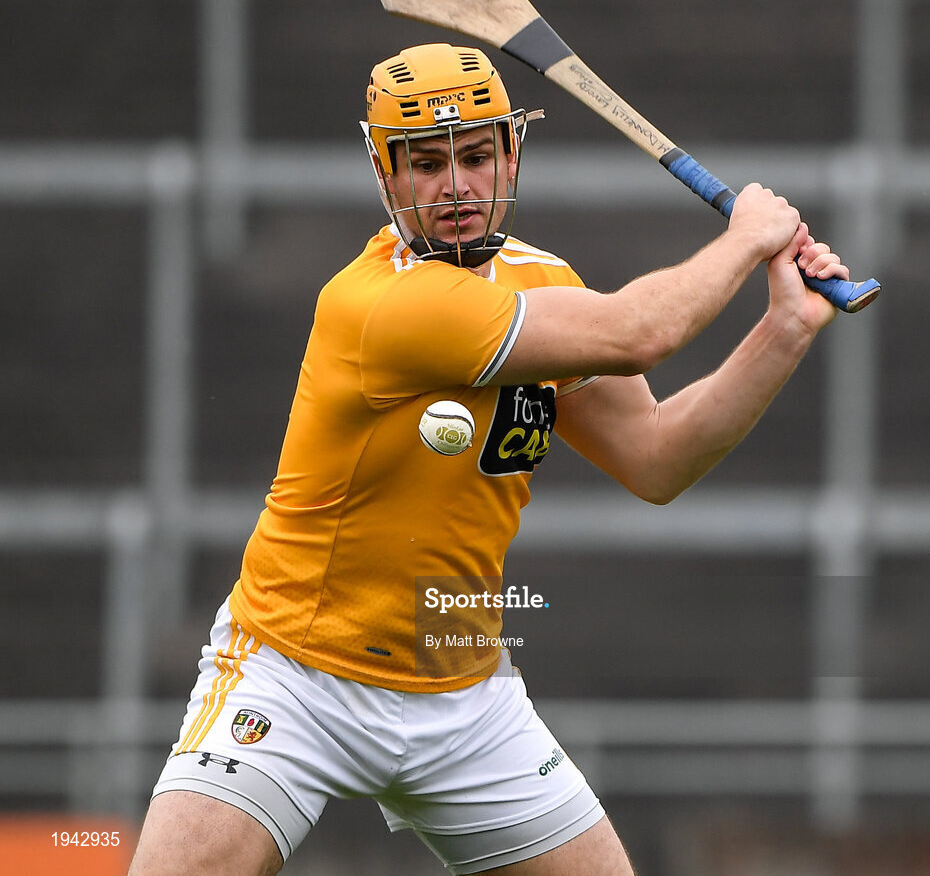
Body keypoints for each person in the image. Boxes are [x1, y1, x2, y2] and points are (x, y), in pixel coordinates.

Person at [128, 43, 850, 876]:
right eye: (426, 163)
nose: (456, 186)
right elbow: (640, 332)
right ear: (385, 173)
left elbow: (657, 458)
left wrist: (785, 329)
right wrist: (747, 237)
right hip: (295, 680)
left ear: (511, 154)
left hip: (468, 700)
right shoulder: (381, 304)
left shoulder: (544, 282)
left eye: (475, 157)